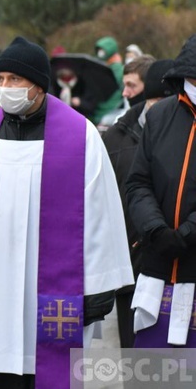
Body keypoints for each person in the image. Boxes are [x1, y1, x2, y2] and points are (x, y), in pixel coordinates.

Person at [0, 37, 134, 388]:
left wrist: (96, 289)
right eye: (0, 80)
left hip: (49, 294)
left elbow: (100, 214)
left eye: (15, 80)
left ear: (38, 85)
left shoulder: (80, 137)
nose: (5, 88)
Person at [127, 34, 196, 348]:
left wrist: (187, 234)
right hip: (158, 269)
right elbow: (139, 182)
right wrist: (155, 229)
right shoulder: (159, 116)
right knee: (157, 374)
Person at [102, 58, 175, 348]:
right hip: (128, 264)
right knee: (135, 356)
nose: (126, 92)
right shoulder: (116, 135)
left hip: (173, 257)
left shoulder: (180, 131)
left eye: (132, 85)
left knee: (174, 360)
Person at [92, 36, 124, 124]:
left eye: (102, 50)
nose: (100, 53)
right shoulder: (102, 67)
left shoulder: (117, 68)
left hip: (111, 106)